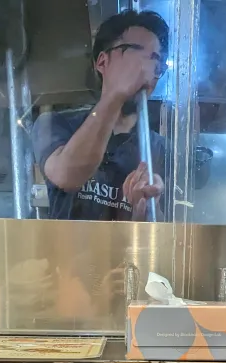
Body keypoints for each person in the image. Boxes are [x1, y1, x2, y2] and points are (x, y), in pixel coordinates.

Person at [31, 10, 168, 221]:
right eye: (136, 55)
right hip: (66, 255)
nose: (147, 70)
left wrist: (146, 212)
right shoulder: (55, 124)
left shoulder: (160, 149)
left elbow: (164, 232)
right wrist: (117, 93)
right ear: (102, 62)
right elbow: (66, 175)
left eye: (155, 62)